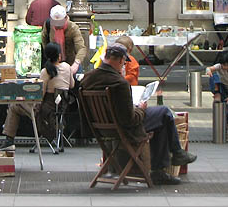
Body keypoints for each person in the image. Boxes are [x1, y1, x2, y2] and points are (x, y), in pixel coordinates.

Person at [80, 43, 197, 185]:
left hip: (99, 128)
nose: (123, 66)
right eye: (123, 63)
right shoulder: (119, 82)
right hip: (123, 128)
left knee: (159, 120)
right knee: (164, 113)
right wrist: (141, 108)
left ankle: (164, 166)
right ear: (120, 60)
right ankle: (171, 158)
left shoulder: (87, 78)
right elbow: (130, 119)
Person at [0, 42, 74, 150]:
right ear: (59, 55)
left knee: (14, 105)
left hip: (45, 113)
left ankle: (9, 140)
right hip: (61, 110)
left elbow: (39, 95)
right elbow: (72, 84)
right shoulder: (67, 67)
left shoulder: (46, 71)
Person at [41, 5, 86, 74]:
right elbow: (44, 41)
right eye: (55, 22)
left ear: (66, 18)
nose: (57, 25)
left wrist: (76, 63)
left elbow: (81, 48)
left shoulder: (73, 28)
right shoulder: (48, 25)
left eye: (60, 22)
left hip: (71, 63)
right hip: (54, 64)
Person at [206, 50, 228, 130]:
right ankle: (217, 93)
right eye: (224, 65)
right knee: (214, 75)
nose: (225, 67)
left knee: (227, 110)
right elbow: (209, 68)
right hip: (220, 86)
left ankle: (225, 127)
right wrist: (208, 71)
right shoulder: (219, 66)